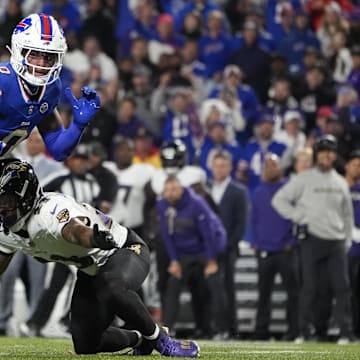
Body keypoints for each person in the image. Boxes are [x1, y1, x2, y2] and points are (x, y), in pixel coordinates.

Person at [0, 158, 199, 357]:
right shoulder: (7, 230)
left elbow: (75, 230)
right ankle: (140, 338)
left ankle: (162, 341)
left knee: (111, 286)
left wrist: (94, 238)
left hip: (123, 249)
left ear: (25, 196)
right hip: (91, 269)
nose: (2, 209)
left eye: (6, 201)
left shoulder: (50, 211)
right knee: (85, 343)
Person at [272, 135, 354, 344]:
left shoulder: (340, 182)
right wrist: (299, 216)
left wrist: (346, 239)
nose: (327, 155)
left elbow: (347, 214)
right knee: (309, 287)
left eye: (330, 151)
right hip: (312, 239)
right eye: (323, 151)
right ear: (317, 154)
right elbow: (279, 200)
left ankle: (345, 332)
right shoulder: (304, 179)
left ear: (335, 155)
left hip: (336, 241)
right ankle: (304, 331)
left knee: (342, 287)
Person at [0, 13, 100, 160]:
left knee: (21, 175)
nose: (41, 64)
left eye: (48, 56)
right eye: (34, 54)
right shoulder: (3, 81)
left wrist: (77, 126)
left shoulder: (50, 88)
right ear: (19, 51)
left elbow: (58, 150)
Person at [157, 175, 228, 338]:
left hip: (206, 250)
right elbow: (167, 236)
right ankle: (167, 329)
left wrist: (212, 260)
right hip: (184, 254)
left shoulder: (197, 203)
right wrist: (174, 261)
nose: (170, 193)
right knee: (173, 285)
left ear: (181, 190)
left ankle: (223, 329)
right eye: (167, 190)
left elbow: (209, 233)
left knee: (215, 285)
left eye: (174, 189)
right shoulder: (162, 206)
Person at [251, 153, 299, 341]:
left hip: (286, 251)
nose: (271, 168)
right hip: (265, 251)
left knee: (292, 294)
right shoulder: (258, 191)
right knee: (263, 295)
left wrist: (292, 242)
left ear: (280, 168)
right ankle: (260, 332)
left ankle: (294, 331)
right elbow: (253, 219)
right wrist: (255, 242)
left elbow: (297, 217)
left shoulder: (289, 189)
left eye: (274, 165)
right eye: (268, 165)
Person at [209, 150, 249, 338]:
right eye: (216, 165)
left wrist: (228, 245)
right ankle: (214, 327)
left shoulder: (238, 191)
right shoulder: (206, 189)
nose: (219, 169)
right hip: (208, 249)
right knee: (212, 290)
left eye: (223, 165)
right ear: (211, 167)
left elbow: (241, 223)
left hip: (228, 249)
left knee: (227, 289)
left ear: (230, 167)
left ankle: (229, 328)